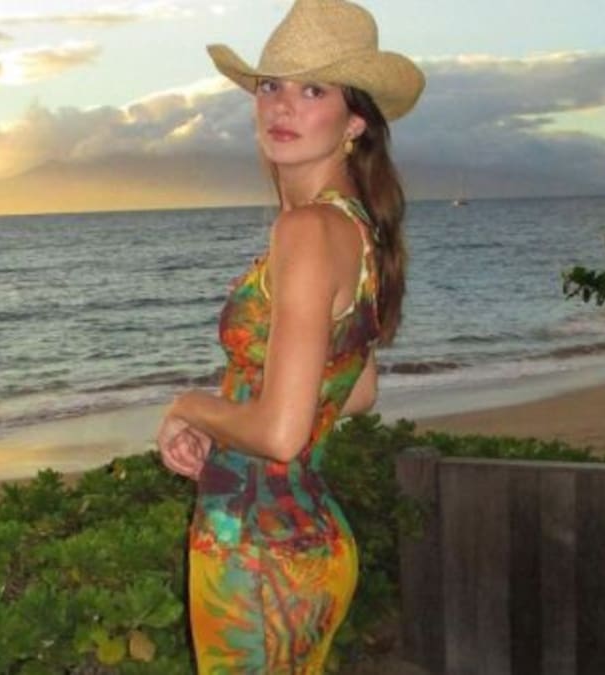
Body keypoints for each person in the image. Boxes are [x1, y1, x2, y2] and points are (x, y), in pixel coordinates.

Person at [155, 0, 424, 671]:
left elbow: (280, 434)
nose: (282, 105)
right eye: (271, 85)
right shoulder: (357, 230)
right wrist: (231, 421)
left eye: (313, 90)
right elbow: (357, 390)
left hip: (255, 556)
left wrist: (190, 406)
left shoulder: (305, 231)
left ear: (355, 120)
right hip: (306, 547)